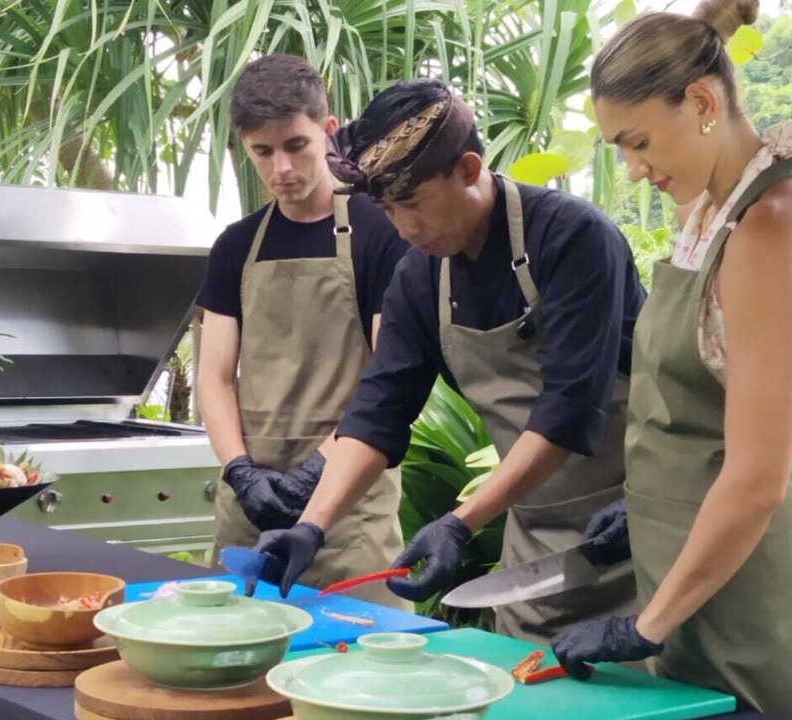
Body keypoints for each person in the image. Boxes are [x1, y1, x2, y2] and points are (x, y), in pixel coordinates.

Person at [549, 1, 792, 717]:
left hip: (750, 582)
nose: (633, 171)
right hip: (692, 570)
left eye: (638, 144)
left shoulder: (773, 228)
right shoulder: (708, 216)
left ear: (701, 102)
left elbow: (758, 476)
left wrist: (640, 626)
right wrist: (643, 507)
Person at [248, 78, 647, 644]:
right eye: (388, 210)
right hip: (537, 540)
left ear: (467, 168)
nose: (405, 228)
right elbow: (378, 412)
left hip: (642, 522)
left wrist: (460, 523)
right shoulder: (419, 275)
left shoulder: (573, 237)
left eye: (412, 203)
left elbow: (568, 410)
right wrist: (312, 525)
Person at [196, 54, 411, 608]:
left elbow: (388, 382)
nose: (280, 169)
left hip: (348, 512)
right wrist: (240, 473)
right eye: (261, 152)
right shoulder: (236, 246)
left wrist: (320, 468)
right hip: (250, 513)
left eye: (296, 146)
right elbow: (215, 378)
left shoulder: (380, 233)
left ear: (328, 131)